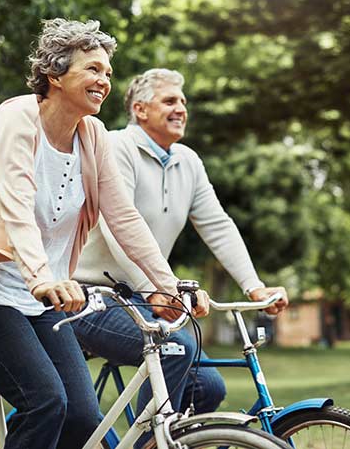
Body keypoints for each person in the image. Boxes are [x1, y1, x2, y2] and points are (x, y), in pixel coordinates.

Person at [0, 20, 208, 449]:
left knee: (83, 418)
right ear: (55, 75)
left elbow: (124, 218)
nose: (104, 81)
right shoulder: (16, 117)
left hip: (44, 300)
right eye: (93, 69)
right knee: (45, 403)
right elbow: (16, 203)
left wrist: (168, 288)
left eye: (108, 73)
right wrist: (40, 277)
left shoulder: (93, 136)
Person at [72, 68, 289, 429]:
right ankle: (148, 440)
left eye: (183, 102)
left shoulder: (188, 161)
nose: (181, 109)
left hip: (142, 296)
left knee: (207, 386)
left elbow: (217, 225)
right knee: (177, 349)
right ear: (140, 109)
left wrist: (254, 285)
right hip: (89, 295)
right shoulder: (115, 146)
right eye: (170, 101)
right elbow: (116, 225)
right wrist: (156, 288)